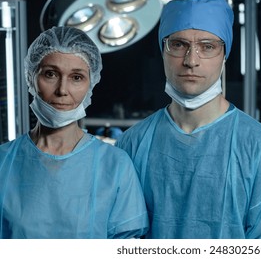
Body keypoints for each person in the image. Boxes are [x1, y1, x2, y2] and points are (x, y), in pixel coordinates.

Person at [115, 0, 261, 239]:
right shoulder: (133, 144)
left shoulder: (259, 146)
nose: (191, 61)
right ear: (163, 51)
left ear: (225, 54)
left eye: (207, 46)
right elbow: (121, 238)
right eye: (178, 45)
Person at [0, 26, 149, 238]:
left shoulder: (114, 165)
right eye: (51, 74)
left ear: (91, 83)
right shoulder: (4, 162)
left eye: (77, 77)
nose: (62, 90)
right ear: (31, 77)